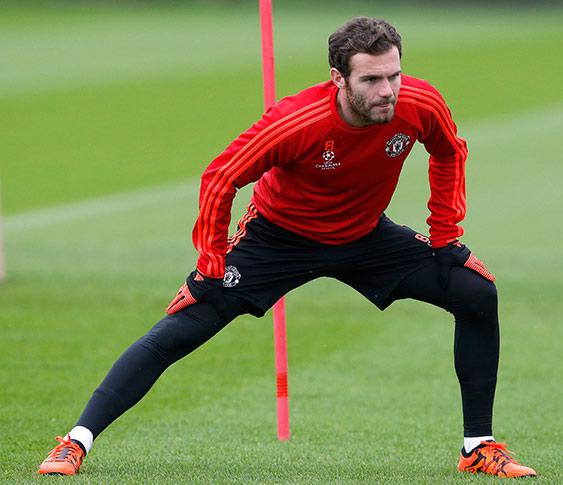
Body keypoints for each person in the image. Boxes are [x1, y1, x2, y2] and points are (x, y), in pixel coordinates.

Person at [38, 16, 536, 478]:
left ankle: (478, 447)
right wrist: (211, 263)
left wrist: (446, 235)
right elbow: (220, 178)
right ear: (338, 78)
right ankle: (76, 442)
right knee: (184, 327)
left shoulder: (418, 104)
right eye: (371, 80)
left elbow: (449, 150)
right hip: (278, 238)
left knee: (475, 294)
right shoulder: (297, 121)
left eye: (394, 75)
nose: (387, 91)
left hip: (365, 235)